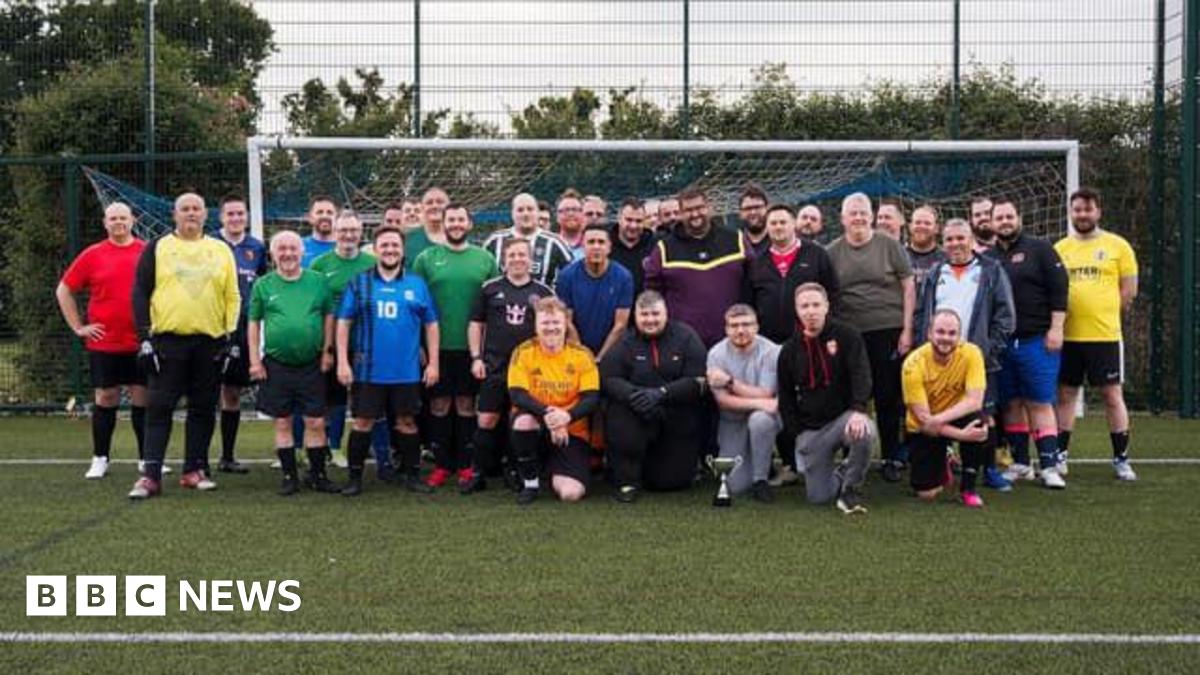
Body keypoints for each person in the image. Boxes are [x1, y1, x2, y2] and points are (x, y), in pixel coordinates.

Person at [127, 193, 240, 499]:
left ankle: (193, 470)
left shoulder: (221, 249)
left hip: (210, 343)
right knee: (159, 407)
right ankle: (150, 476)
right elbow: (140, 292)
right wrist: (144, 338)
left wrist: (230, 337)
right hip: (168, 342)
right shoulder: (158, 247)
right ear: (174, 215)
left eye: (196, 209)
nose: (191, 213)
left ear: (206, 215)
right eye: (185, 209)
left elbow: (233, 295)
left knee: (203, 408)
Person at [335, 226, 439, 496]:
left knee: (406, 421)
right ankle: (355, 479)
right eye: (385, 245)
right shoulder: (359, 283)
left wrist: (434, 362)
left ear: (402, 250)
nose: (390, 250)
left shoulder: (416, 284)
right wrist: (343, 363)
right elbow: (344, 322)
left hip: (406, 371)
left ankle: (412, 475)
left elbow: (431, 325)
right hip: (369, 370)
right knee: (363, 422)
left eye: (395, 245)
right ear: (376, 249)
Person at [914, 219, 1016, 491]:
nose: (955, 244)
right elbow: (922, 313)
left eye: (961, 238)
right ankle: (942, 466)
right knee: (941, 411)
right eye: (949, 239)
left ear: (971, 240)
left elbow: (1006, 317)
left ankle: (990, 470)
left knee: (984, 414)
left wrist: (986, 351)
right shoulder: (937, 272)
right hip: (940, 359)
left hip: (976, 359)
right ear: (943, 242)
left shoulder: (991, 270)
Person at [826, 192, 915, 483]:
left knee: (889, 396)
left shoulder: (889, 245)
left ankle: (891, 456)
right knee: (849, 395)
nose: (859, 217)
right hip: (850, 334)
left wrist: (907, 329)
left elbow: (909, 286)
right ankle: (846, 457)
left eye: (864, 212)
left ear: (871, 216)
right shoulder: (831, 252)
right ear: (842, 218)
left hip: (887, 330)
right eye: (853, 212)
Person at [56, 202, 148, 480]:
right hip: (105, 343)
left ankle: (147, 460)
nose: (118, 222)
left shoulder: (148, 252)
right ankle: (100, 458)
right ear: (105, 222)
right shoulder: (92, 255)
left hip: (141, 341)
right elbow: (64, 290)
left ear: (132, 220)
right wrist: (78, 327)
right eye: (113, 218)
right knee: (106, 398)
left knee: (143, 398)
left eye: (123, 217)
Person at [1054, 187, 1139, 481]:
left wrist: (1105, 313)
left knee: (1112, 395)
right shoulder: (1061, 248)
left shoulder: (1118, 246)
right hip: (1068, 336)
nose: (1083, 214)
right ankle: (1060, 455)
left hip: (1104, 337)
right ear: (1071, 212)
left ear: (1098, 212)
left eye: (1088, 209)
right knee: (1065, 395)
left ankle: (1121, 459)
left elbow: (1129, 290)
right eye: (1077, 209)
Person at [411, 204, 498, 489]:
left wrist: (485, 350)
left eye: (461, 219)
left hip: (472, 349)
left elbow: (493, 306)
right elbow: (415, 305)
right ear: (444, 222)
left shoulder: (484, 259)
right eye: (452, 219)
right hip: (437, 347)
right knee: (438, 404)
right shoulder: (426, 258)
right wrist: (419, 345)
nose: (456, 224)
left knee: (465, 404)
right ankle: (441, 464)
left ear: (470, 224)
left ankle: (464, 464)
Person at [247, 231, 338, 496]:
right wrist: (255, 360)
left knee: (316, 422)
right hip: (276, 364)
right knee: (283, 422)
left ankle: (318, 475)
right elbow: (253, 324)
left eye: (292, 248)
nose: (287, 253)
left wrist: (327, 351)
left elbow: (328, 317)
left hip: (312, 364)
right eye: (281, 249)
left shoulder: (318, 282)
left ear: (301, 253)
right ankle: (289, 476)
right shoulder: (263, 284)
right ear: (273, 254)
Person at [463, 238, 555, 493]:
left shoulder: (544, 292)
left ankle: (517, 471)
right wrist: (476, 358)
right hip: (494, 366)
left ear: (530, 260)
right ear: (504, 260)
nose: (517, 259)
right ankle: (478, 473)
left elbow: (553, 329)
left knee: (520, 420)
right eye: (512, 255)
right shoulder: (490, 289)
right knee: (487, 419)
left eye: (522, 255)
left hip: (528, 371)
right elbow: (475, 324)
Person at [601, 291, 708, 501]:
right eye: (644, 315)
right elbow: (609, 377)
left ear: (666, 313)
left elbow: (698, 380)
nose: (650, 320)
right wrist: (634, 394)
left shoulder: (686, 336)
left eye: (655, 314)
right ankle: (627, 481)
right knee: (619, 415)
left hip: (674, 413)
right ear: (636, 317)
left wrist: (662, 393)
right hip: (637, 411)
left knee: (668, 483)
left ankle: (664, 468)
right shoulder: (625, 341)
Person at [777, 283, 874, 514]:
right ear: (797, 310)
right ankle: (841, 473)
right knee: (819, 498)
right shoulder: (789, 350)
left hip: (844, 419)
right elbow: (786, 397)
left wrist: (859, 410)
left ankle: (851, 489)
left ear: (826, 306)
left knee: (864, 431)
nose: (810, 311)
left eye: (815, 305)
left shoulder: (848, 336)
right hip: (812, 430)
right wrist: (797, 434)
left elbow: (862, 376)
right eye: (804, 306)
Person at [993, 199, 1070, 489]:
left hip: (1036, 339)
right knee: (1011, 404)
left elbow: (1060, 289)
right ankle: (1021, 463)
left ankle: (1050, 466)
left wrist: (1056, 328)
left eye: (1008, 216)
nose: (1004, 221)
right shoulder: (989, 257)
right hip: (1002, 344)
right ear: (991, 223)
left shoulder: (1040, 248)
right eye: (999, 217)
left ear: (1019, 218)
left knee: (1039, 401)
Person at [507, 297, 601, 505]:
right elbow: (518, 395)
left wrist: (566, 417)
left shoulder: (582, 354)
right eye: (545, 323)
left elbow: (591, 398)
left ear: (566, 323)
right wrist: (550, 415)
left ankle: (548, 468)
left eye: (556, 322)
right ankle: (530, 482)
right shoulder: (523, 352)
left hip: (571, 430)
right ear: (536, 325)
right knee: (524, 422)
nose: (551, 328)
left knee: (570, 494)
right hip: (538, 424)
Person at [309, 211, 380, 472]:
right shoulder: (319, 264)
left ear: (361, 233)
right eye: (343, 230)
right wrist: (324, 347)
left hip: (364, 342)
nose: (348, 235)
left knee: (366, 398)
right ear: (335, 232)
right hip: (329, 341)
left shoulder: (371, 263)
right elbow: (314, 304)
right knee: (331, 397)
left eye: (353, 230)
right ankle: (326, 446)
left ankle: (361, 449)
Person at [643, 188, 754, 349]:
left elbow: (755, 283)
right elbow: (652, 295)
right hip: (683, 344)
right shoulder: (664, 249)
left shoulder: (735, 240)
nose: (695, 214)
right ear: (680, 213)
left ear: (709, 207)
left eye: (699, 208)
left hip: (735, 339)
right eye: (688, 210)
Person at [901, 309, 990, 507]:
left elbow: (975, 401)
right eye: (940, 332)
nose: (946, 338)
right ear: (929, 334)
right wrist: (961, 435)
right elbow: (924, 421)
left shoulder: (972, 353)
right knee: (927, 494)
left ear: (959, 337)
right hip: (923, 428)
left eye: (952, 334)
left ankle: (968, 489)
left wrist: (940, 420)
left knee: (980, 424)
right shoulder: (912, 364)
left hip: (949, 417)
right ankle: (945, 459)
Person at [213, 194, 266, 475]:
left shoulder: (257, 248)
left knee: (232, 391)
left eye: (240, 214)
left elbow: (264, 285)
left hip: (245, 330)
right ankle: (197, 459)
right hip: (212, 329)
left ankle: (227, 456)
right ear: (221, 217)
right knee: (207, 392)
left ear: (246, 216)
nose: (235, 218)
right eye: (230, 214)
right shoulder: (209, 245)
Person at [707, 304, 781, 502]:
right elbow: (723, 401)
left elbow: (766, 393)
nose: (740, 330)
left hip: (765, 418)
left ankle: (761, 480)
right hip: (733, 420)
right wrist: (760, 402)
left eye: (746, 324)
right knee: (735, 485)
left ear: (757, 327)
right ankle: (760, 461)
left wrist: (730, 382)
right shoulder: (716, 354)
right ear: (726, 329)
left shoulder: (772, 351)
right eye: (734, 325)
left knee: (760, 420)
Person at [748, 203, 840, 345]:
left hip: (810, 340)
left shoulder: (817, 254)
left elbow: (833, 293)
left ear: (794, 224)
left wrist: (826, 327)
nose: (778, 227)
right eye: (773, 223)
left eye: (783, 222)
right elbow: (749, 300)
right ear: (767, 227)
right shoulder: (757, 262)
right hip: (769, 343)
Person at [555, 223, 634, 359]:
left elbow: (620, 325)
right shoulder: (566, 276)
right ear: (582, 246)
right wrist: (583, 355)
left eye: (601, 242)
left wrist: (601, 358)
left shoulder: (623, 277)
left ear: (609, 247)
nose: (596, 247)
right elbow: (566, 321)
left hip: (611, 353)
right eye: (591, 242)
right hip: (575, 352)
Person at [483, 193, 573, 287]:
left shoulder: (555, 242)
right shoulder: (495, 241)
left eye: (530, 209)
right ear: (512, 214)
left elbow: (573, 276)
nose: (525, 214)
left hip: (542, 300)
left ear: (538, 213)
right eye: (520, 210)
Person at [610, 197, 656, 299]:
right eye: (629, 220)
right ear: (619, 218)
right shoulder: (607, 245)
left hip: (645, 310)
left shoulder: (654, 246)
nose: (633, 225)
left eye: (638, 221)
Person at [403, 186, 449, 270]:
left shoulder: (461, 240)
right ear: (422, 208)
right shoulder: (407, 240)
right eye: (429, 202)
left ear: (449, 207)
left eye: (440, 202)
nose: (434, 206)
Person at [906, 204, 944, 297]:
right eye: (917, 222)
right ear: (910, 226)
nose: (922, 226)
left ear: (936, 228)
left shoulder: (946, 259)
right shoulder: (898, 256)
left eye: (927, 223)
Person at [300, 195, 338, 268]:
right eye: (319, 212)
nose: (325, 216)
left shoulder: (346, 248)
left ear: (337, 218)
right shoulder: (298, 247)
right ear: (310, 218)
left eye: (329, 213)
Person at [737, 184, 771, 255]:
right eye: (748, 208)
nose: (753, 212)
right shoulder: (735, 243)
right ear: (740, 213)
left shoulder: (780, 239)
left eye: (757, 207)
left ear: (767, 208)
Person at [555, 188, 587, 256]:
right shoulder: (550, 245)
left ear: (583, 215)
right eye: (566, 210)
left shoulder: (592, 245)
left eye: (575, 209)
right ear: (557, 216)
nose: (570, 214)